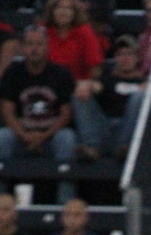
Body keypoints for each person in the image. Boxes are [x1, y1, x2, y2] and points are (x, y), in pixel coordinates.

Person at [0, 24, 77, 206]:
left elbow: (65, 114)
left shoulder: (61, 73)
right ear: (21, 47)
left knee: (67, 138)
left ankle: (64, 201)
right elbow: (7, 110)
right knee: (0, 138)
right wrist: (25, 136)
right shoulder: (13, 73)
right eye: (29, 44)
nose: (34, 49)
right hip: (21, 137)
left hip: (51, 138)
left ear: (47, 46)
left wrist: (43, 136)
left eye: (39, 44)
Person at [41, 0, 106, 159]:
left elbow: (95, 68)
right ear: (52, 10)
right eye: (59, 7)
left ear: (75, 11)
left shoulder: (84, 31)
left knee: (80, 94)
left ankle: (92, 146)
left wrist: (87, 83)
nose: (63, 12)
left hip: (77, 88)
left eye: (68, 8)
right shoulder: (44, 32)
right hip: (48, 87)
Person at [79, 32, 144, 161]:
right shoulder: (107, 78)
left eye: (129, 54)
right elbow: (97, 86)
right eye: (120, 54)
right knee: (79, 93)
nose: (125, 59)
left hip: (128, 131)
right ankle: (93, 147)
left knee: (140, 97)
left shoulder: (145, 82)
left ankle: (125, 147)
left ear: (138, 57)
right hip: (105, 129)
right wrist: (88, 86)